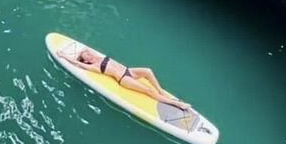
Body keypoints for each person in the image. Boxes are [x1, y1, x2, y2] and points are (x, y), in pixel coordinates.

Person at [58, 48, 190, 110]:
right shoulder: (95, 66)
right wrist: (64, 55)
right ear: (86, 60)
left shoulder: (97, 56)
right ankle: (178, 104)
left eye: (88, 53)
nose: (89, 54)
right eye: (86, 56)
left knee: (148, 71)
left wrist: (81, 52)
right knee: (149, 90)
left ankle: (160, 89)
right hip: (123, 79)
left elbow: (85, 49)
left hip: (129, 71)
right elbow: (77, 63)